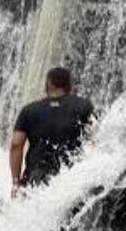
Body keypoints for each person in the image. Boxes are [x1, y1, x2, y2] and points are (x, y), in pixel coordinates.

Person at [9, 66, 95, 196]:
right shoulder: (84, 106)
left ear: (47, 85)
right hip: (72, 179)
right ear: (69, 86)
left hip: (36, 179)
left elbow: (16, 145)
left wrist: (16, 182)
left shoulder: (29, 110)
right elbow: (94, 141)